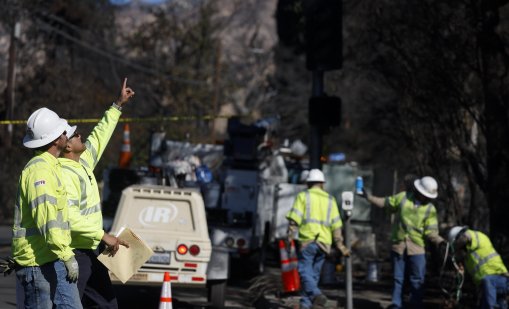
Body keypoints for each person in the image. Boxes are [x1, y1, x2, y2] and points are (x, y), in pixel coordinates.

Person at [59, 78, 133, 308]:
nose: (81, 135)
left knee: (106, 304)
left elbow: (100, 137)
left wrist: (117, 105)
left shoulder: (83, 163)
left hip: (90, 251)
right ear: (68, 146)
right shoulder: (63, 174)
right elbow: (69, 215)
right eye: (75, 135)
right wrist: (102, 235)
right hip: (74, 253)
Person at [12, 107, 82, 308]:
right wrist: (67, 255)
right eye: (62, 132)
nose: (66, 135)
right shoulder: (40, 171)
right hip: (37, 263)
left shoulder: (50, 166)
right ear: (55, 140)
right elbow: (47, 219)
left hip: (49, 257)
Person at [357, 176, 446, 309]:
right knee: (398, 279)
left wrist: (441, 242)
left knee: (417, 280)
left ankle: (415, 305)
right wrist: (369, 197)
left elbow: (431, 232)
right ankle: (396, 305)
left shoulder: (430, 209)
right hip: (399, 246)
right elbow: (385, 202)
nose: (426, 198)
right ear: (419, 191)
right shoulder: (403, 198)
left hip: (417, 249)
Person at [286, 169, 350, 309]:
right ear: (322, 183)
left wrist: (289, 239)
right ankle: (306, 305)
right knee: (312, 276)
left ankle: (316, 294)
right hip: (324, 244)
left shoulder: (303, 196)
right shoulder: (330, 200)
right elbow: (336, 226)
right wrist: (341, 245)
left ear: (308, 183)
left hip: (307, 241)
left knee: (304, 272)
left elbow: (294, 221)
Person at [448, 226, 509, 309]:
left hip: (500, 278)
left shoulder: (476, 236)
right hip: (488, 288)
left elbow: (466, 237)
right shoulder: (468, 258)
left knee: (487, 281)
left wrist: (454, 248)